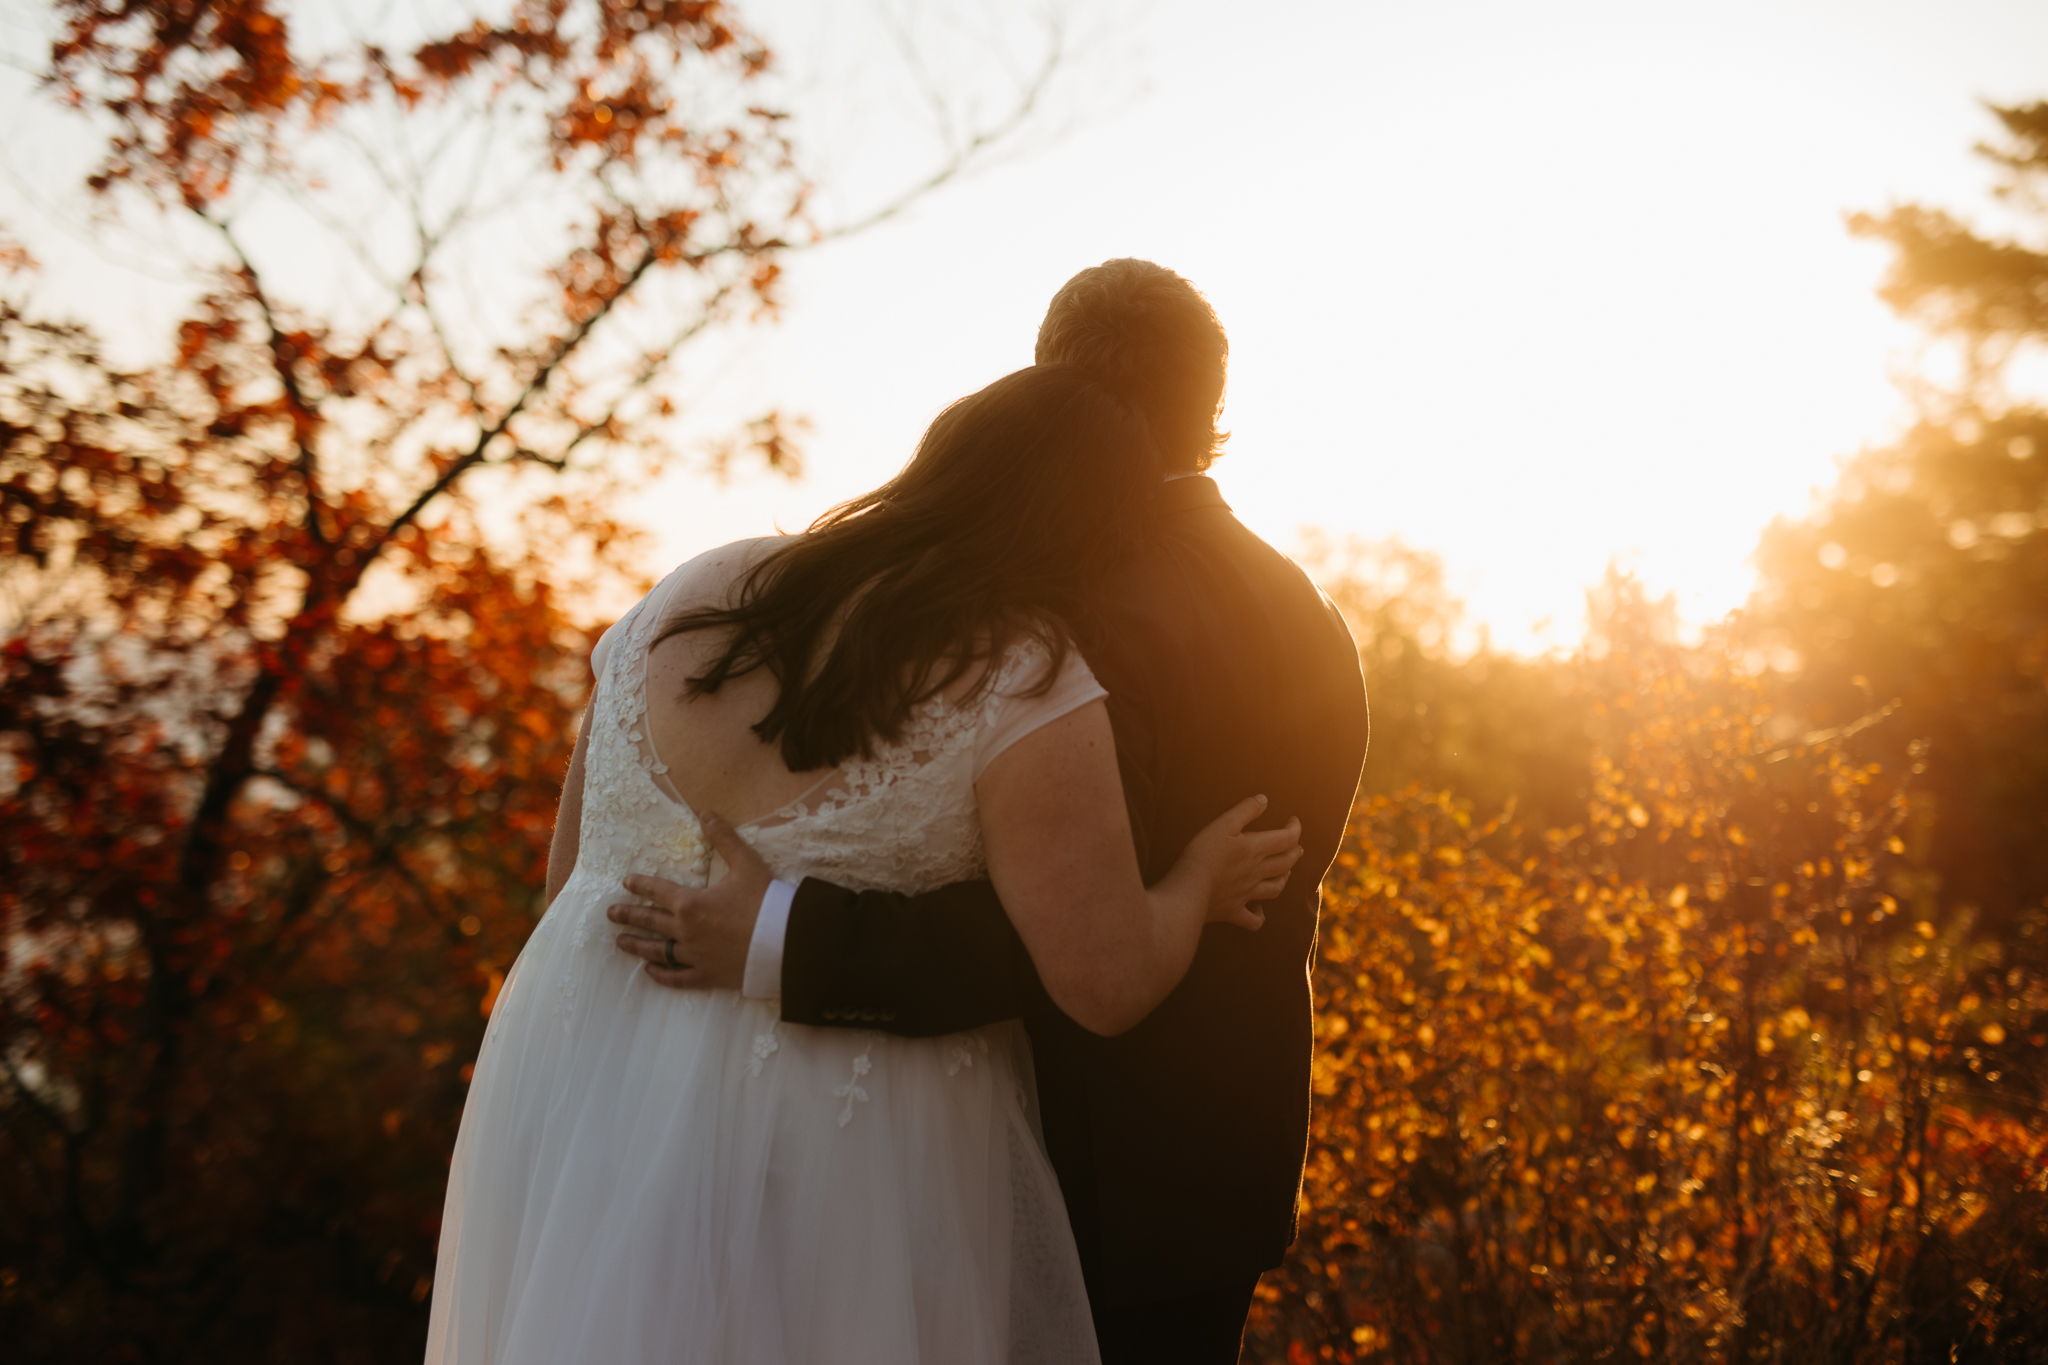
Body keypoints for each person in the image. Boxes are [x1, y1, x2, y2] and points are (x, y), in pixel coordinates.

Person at [424, 361, 1304, 1365]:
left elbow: (569, 878)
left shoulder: (698, 589)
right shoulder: (1019, 671)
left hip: (589, 1089)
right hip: (841, 1154)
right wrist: (1194, 882)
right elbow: (1102, 984)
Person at [612, 260, 1371, 1364]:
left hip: (1046, 1162)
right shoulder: (1304, 612)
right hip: (1213, 1173)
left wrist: (786, 934)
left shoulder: (1056, 610)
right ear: (1211, 405)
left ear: (1047, 391)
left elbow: (1071, 927)